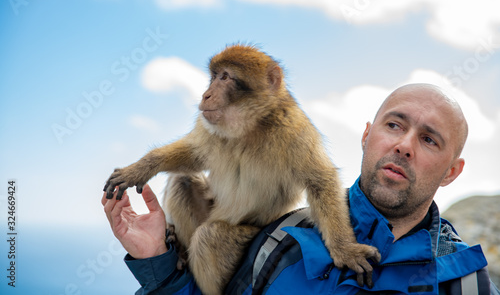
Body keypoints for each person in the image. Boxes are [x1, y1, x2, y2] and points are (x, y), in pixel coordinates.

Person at [102, 83, 500, 294]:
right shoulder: (280, 244)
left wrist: (341, 245)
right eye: (394, 125)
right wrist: (157, 262)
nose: (404, 145)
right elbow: (190, 152)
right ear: (366, 135)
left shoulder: (464, 281)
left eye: (429, 140)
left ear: (452, 171)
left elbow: (321, 181)